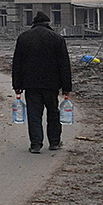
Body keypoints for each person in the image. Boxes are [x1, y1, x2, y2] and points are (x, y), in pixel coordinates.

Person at [11, 11, 72, 154]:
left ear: (34, 23)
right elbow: (64, 64)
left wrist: (17, 85)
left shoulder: (24, 38)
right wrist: (66, 87)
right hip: (52, 84)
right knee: (53, 113)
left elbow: (17, 64)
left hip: (30, 84)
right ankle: (55, 142)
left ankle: (36, 144)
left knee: (34, 115)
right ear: (48, 23)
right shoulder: (57, 39)